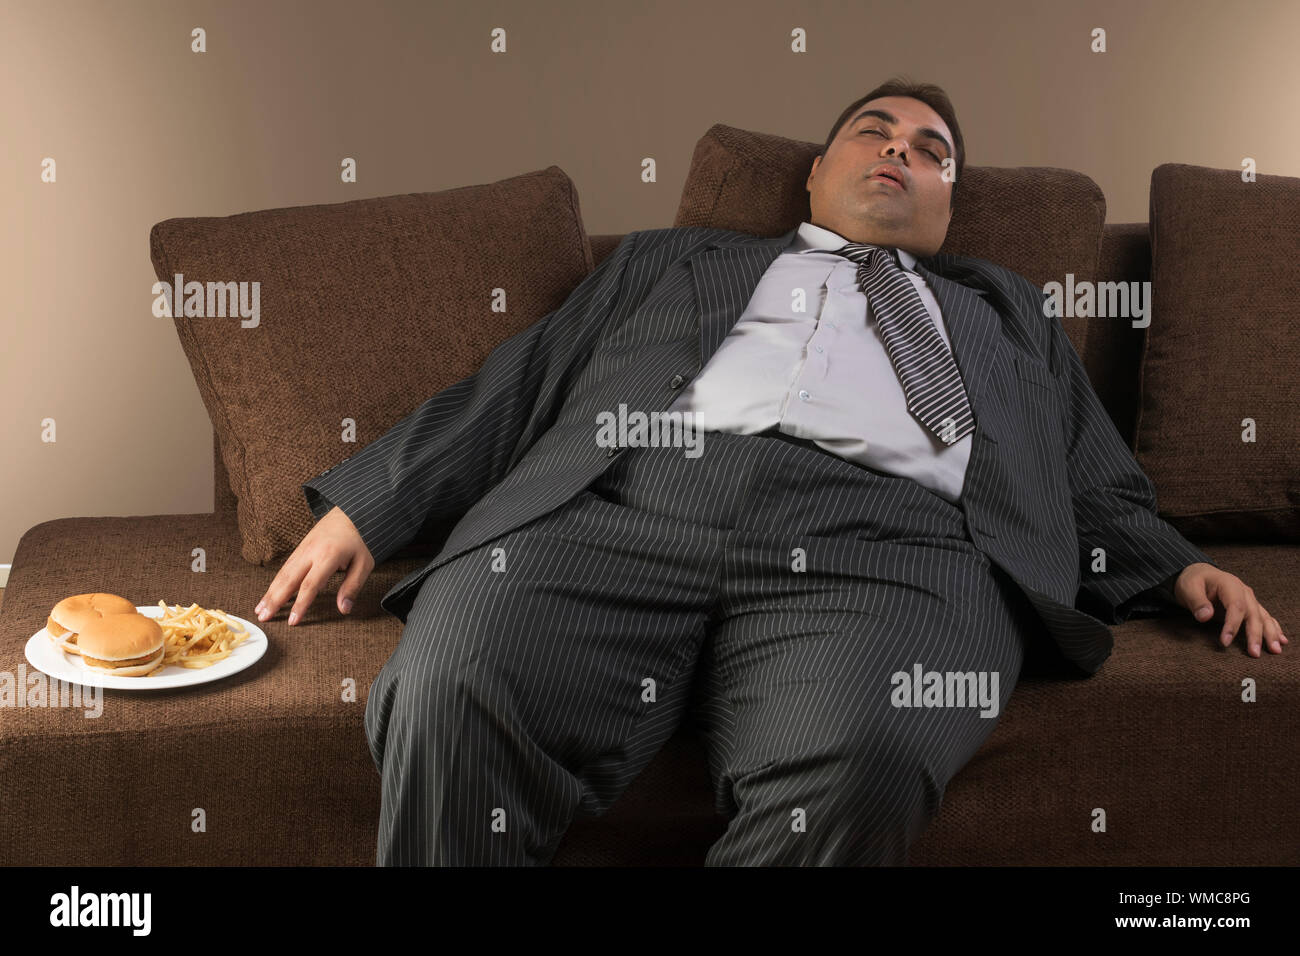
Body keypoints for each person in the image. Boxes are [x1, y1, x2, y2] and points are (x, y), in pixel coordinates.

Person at [253, 77, 1288, 866]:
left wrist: (1171, 566)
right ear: (815, 172)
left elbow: (1086, 471)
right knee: (448, 690)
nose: (897, 152)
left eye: (928, 151)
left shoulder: (1006, 312)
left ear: (946, 201)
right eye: (872, 134)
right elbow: (517, 384)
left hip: (892, 553)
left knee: (861, 765)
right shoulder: (673, 260)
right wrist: (369, 508)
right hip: (623, 507)